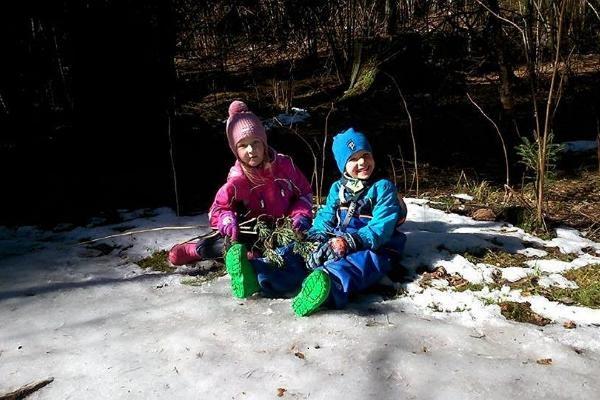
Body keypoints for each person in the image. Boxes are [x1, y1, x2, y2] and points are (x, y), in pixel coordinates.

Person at [168, 100, 313, 298]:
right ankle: (197, 250)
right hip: (250, 229)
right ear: (235, 150)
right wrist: (227, 219)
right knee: (229, 244)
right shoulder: (237, 179)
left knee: (288, 251)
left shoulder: (285, 167)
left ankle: (255, 269)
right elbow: (218, 209)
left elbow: (304, 193)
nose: (251, 151)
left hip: (284, 227)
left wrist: (300, 215)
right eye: (243, 146)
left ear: (264, 142)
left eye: (255, 143)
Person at [291, 127, 407, 316]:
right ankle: (268, 272)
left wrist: (352, 241)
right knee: (304, 253)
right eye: (353, 159)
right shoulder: (338, 188)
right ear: (342, 165)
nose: (362, 162)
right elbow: (326, 215)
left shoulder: (382, 187)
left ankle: (328, 285)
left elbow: (382, 227)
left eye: (365, 155)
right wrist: (315, 237)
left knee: (360, 262)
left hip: (377, 244)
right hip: (340, 238)